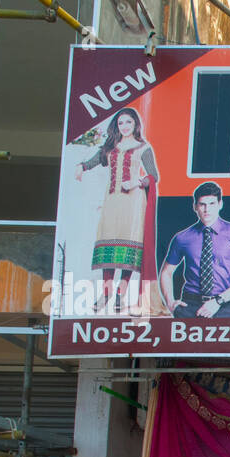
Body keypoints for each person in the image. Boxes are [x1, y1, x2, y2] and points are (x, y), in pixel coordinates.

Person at [75, 107, 159, 314]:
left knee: (126, 251)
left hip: (133, 202)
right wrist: (81, 167)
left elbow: (153, 176)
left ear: (135, 124)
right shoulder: (110, 147)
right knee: (108, 245)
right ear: (116, 126)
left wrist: (137, 183)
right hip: (112, 201)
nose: (124, 127)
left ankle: (120, 295)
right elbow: (93, 162)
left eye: (128, 122)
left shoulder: (143, 147)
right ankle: (106, 294)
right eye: (121, 123)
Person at [160, 182, 230, 318]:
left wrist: (218, 301)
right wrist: (169, 302)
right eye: (202, 204)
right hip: (189, 307)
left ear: (220, 204)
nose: (207, 210)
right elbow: (166, 272)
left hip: (223, 306)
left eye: (211, 204)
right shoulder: (182, 238)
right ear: (195, 207)